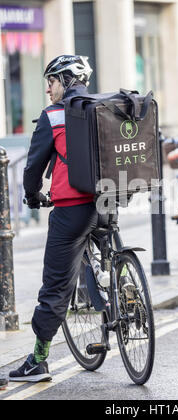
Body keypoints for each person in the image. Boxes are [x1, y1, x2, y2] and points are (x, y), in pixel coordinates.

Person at [9, 55, 100, 383]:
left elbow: (33, 168)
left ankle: (38, 359)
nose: (47, 88)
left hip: (72, 207)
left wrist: (33, 196)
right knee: (97, 239)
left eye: (52, 80)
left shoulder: (54, 116)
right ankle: (118, 291)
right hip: (108, 201)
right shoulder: (101, 108)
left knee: (56, 285)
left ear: (67, 80)